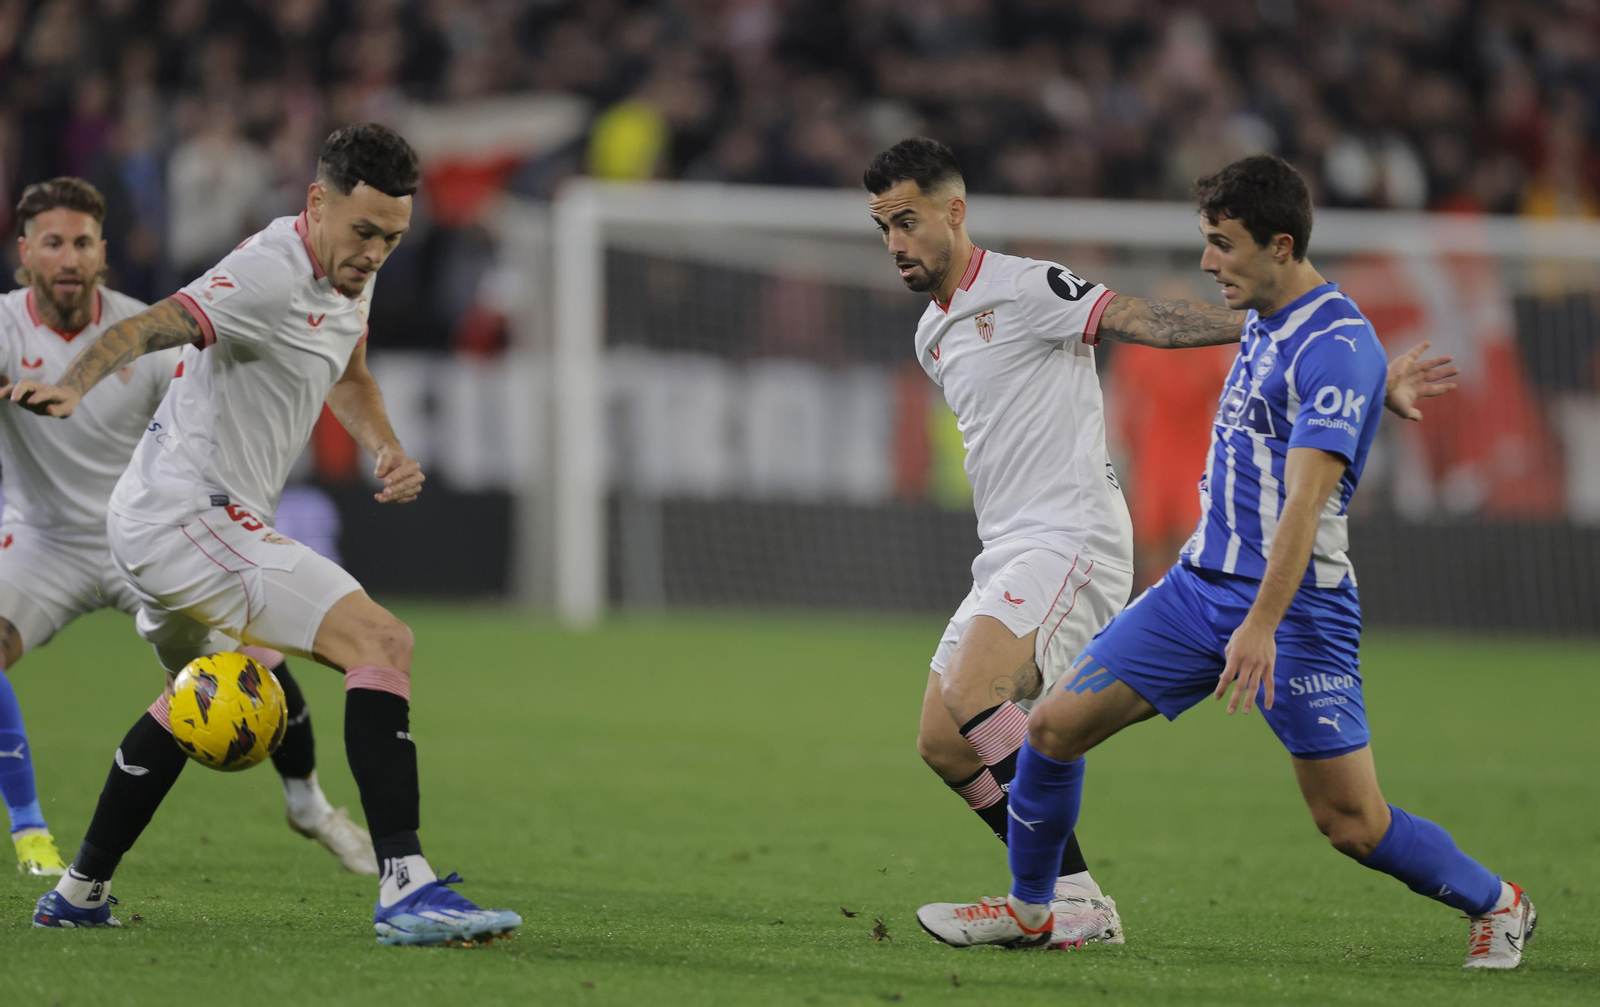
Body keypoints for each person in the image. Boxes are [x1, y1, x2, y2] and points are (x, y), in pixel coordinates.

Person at [914, 155, 1532, 971]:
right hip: (1195, 590)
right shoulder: (1273, 316)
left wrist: (1261, 625)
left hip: (1297, 610)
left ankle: (1497, 901)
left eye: (1222, 244)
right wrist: (1381, 382)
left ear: (1279, 245)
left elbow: (1304, 508)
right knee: (1055, 729)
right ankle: (1040, 909)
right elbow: (1303, 385)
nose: (1208, 262)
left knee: (1350, 821)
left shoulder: (1339, 342)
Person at [9, 126, 519, 946]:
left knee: (199, 697)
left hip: (170, 516)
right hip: (187, 515)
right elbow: (152, 325)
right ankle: (407, 885)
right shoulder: (265, 272)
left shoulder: (352, 272)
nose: (377, 252)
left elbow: (348, 377)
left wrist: (384, 444)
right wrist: (72, 386)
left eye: (394, 237)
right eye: (363, 232)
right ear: (317, 203)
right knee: (381, 639)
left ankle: (80, 889)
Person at [0, 177, 372, 877]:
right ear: (26, 252)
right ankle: (30, 833)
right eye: (53, 243)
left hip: (142, 536)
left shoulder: (140, 333)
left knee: (257, 661)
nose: (70, 257)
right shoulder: (4, 327)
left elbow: (203, 420)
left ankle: (309, 803)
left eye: (83, 242)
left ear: (103, 251)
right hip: (42, 542)